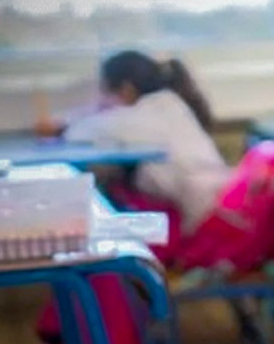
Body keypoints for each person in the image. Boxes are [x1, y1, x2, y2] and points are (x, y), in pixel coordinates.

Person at [39, 51, 229, 233]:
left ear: (126, 90)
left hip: (199, 218)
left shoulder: (144, 115)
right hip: (208, 202)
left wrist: (61, 124)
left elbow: (80, 132)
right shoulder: (168, 105)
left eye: (105, 92)